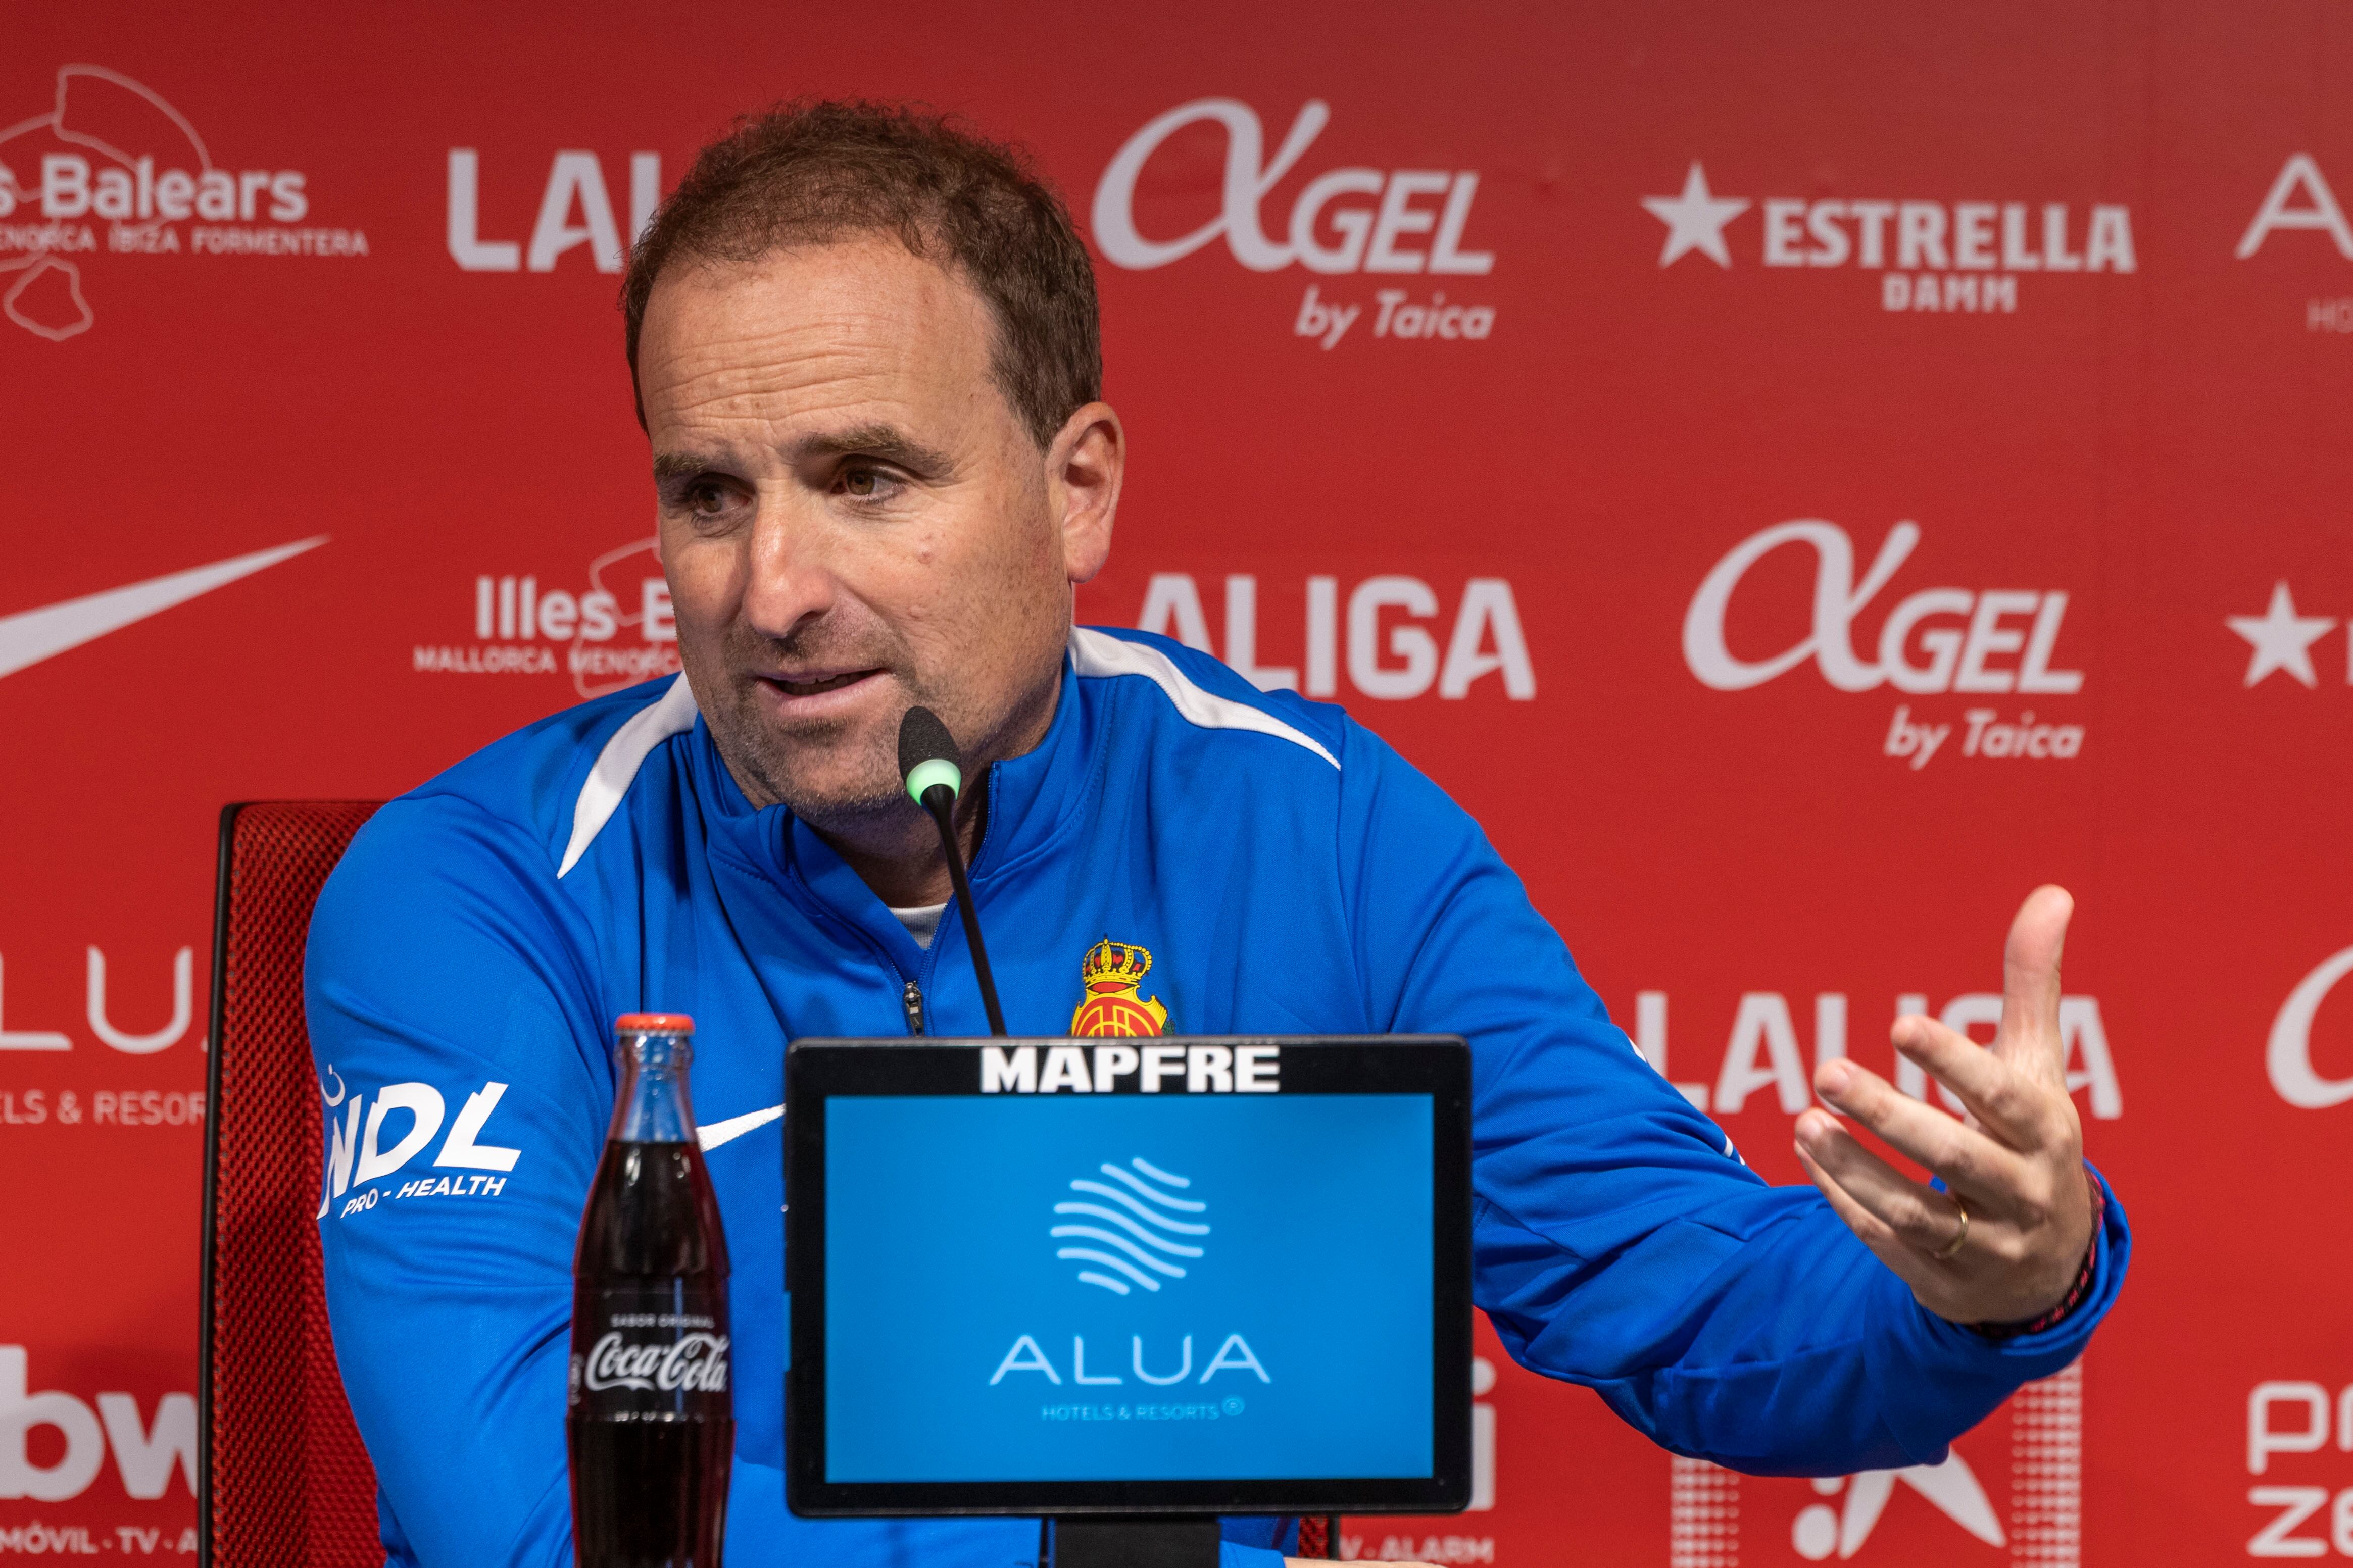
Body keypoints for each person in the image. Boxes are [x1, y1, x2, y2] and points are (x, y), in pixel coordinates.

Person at [307, 100, 2128, 1568]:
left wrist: (1982, 1282)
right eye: (709, 494)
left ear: (1075, 485)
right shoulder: (469, 890)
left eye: (868, 478)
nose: (773, 586)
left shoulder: (1312, 830)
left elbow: (1683, 1293)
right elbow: (536, 1523)